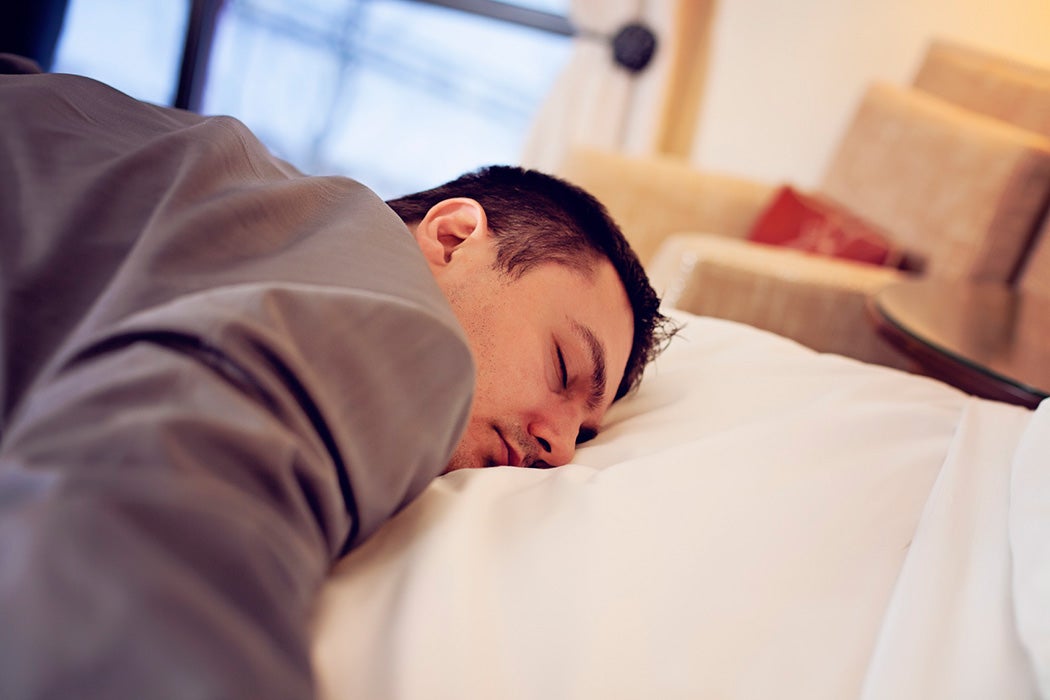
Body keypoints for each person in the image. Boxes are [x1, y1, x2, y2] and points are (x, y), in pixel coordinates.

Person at [0, 55, 671, 699]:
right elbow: (127, 529)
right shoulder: (403, 314)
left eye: (583, 433)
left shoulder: (245, 209)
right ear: (453, 238)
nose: (557, 449)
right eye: (562, 365)